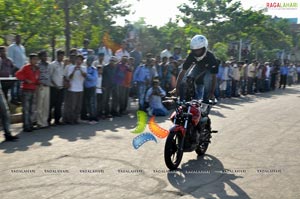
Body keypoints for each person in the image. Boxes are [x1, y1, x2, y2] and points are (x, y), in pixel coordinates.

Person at [174, 35, 218, 101]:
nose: (197, 52)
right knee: (189, 77)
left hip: (209, 69)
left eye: (199, 50)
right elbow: (182, 72)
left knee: (207, 79)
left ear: (204, 48)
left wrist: (212, 92)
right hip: (198, 66)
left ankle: (206, 98)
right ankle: (193, 98)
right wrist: (177, 88)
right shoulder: (191, 55)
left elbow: (214, 77)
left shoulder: (211, 58)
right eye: (195, 50)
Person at [15, 53, 40, 132]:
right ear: (30, 60)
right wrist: (25, 80)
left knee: (32, 109)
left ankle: (30, 124)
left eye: (36, 59)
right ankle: (26, 125)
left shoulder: (37, 68)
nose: (35, 61)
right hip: (26, 90)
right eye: (34, 59)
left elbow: (37, 79)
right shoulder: (26, 67)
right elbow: (17, 74)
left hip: (33, 89)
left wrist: (38, 83)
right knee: (26, 108)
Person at [8, 35, 26, 104]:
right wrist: (15, 67)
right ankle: (13, 99)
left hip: (22, 69)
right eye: (17, 38)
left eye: (20, 38)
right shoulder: (12, 47)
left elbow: (24, 58)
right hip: (15, 69)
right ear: (15, 39)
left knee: (19, 84)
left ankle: (19, 97)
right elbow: (10, 58)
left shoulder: (22, 47)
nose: (19, 39)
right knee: (14, 84)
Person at [48, 49, 65, 125]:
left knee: (59, 104)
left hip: (61, 87)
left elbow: (63, 76)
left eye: (63, 56)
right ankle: (48, 120)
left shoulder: (63, 64)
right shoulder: (52, 65)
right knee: (51, 104)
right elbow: (50, 77)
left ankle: (57, 120)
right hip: (54, 87)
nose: (62, 57)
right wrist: (55, 85)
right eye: (60, 55)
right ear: (57, 56)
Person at [36, 50, 50, 128]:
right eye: (44, 56)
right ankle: (39, 122)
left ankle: (45, 122)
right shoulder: (38, 66)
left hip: (47, 86)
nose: (45, 57)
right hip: (40, 86)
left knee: (46, 105)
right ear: (40, 57)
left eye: (46, 56)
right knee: (39, 105)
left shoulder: (49, 65)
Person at [84, 56, 98, 123]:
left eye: (89, 61)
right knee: (87, 103)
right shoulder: (84, 69)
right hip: (86, 88)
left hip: (92, 87)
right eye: (87, 61)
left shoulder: (94, 69)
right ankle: (90, 116)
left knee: (92, 103)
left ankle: (94, 117)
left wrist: (86, 75)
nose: (88, 62)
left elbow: (94, 78)